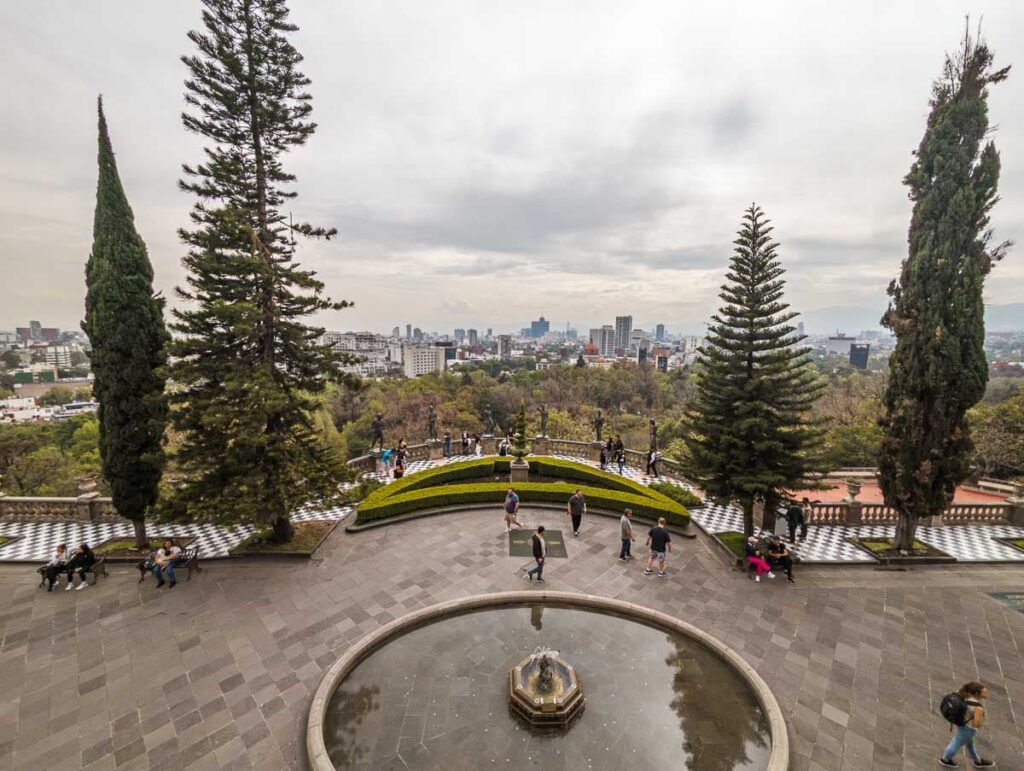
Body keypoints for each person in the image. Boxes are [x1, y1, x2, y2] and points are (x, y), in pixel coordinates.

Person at [939, 682, 995, 768]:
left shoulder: (964, 696)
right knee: (956, 743)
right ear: (977, 693)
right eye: (985, 692)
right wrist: (980, 720)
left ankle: (977, 761)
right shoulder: (978, 708)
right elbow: (976, 724)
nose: (987, 694)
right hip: (969, 729)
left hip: (962, 724)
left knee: (970, 744)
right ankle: (945, 759)